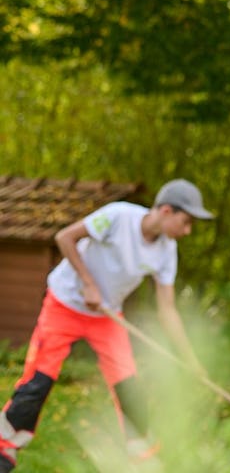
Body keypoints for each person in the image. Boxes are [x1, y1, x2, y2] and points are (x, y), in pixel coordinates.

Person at [0, 178, 214, 472]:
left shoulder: (167, 251)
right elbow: (65, 237)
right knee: (37, 382)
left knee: (129, 388)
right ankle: (4, 451)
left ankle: (143, 461)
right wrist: (88, 283)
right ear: (166, 211)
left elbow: (168, 310)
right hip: (63, 306)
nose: (187, 231)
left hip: (106, 319)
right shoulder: (118, 217)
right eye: (186, 221)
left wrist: (190, 360)